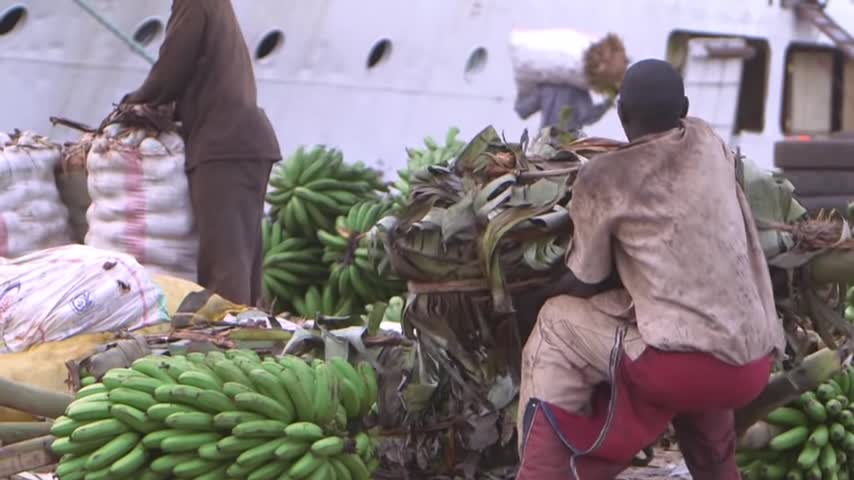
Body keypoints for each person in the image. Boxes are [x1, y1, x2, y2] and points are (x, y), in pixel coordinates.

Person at [514, 59, 785, 480]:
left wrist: (532, 300)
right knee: (692, 328)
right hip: (753, 363)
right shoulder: (710, 142)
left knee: (555, 323)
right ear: (686, 109)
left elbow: (587, 278)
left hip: (679, 370)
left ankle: (543, 472)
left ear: (620, 113)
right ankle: (718, 471)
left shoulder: (603, 177)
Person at [122, 0, 281, 306]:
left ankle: (227, 340)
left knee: (223, 259)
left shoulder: (194, 3)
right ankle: (249, 331)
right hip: (247, 141)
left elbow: (173, 63)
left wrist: (136, 102)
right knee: (243, 254)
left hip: (222, 143)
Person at [514, 82, 614, 132]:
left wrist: (522, 87)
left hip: (544, 145)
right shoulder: (577, 89)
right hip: (570, 146)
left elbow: (522, 111)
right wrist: (607, 103)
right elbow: (588, 117)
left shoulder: (545, 87)